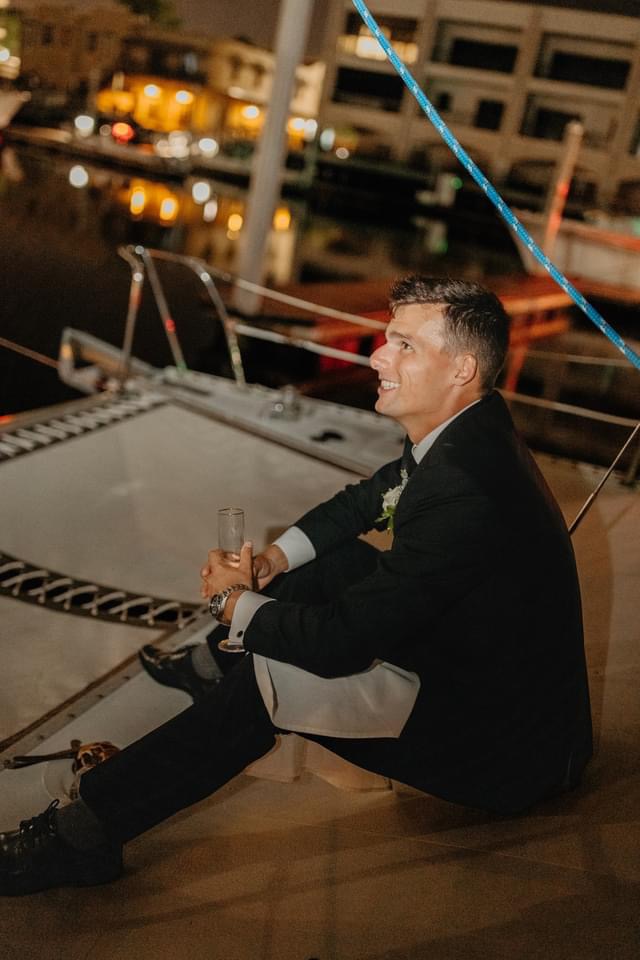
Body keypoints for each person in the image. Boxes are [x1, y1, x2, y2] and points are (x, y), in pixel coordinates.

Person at [0, 277, 593, 896]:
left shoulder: (465, 488)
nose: (376, 356)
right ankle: (213, 671)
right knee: (316, 568)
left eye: (403, 345)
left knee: (269, 685)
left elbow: (340, 644)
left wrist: (235, 605)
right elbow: (368, 499)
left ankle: (83, 836)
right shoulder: (470, 429)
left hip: (504, 747)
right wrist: (272, 566)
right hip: (490, 673)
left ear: (461, 368)